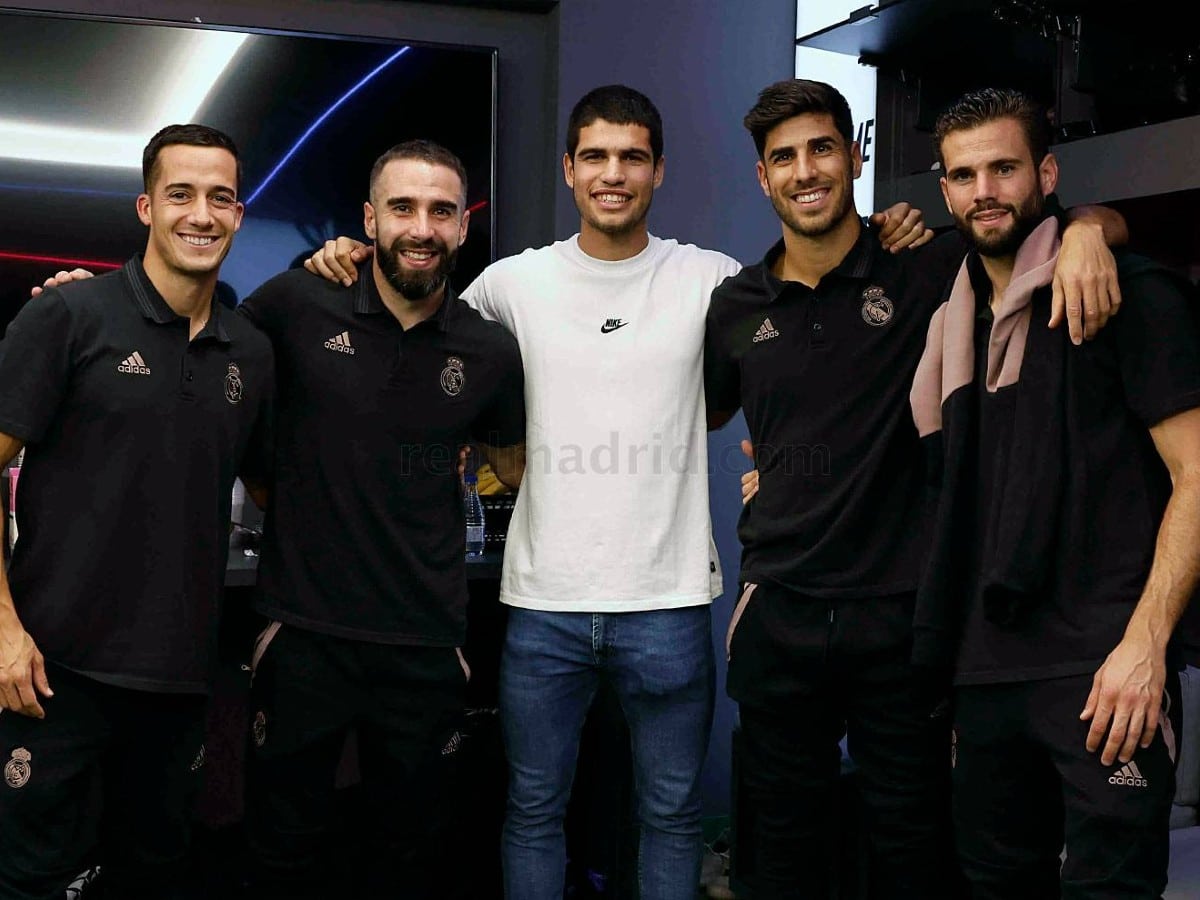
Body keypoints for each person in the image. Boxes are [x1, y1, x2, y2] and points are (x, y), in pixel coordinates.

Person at [304, 84, 934, 900]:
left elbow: (795, 364)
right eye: (595, 156)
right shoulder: (508, 285)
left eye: (632, 156)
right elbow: (419, 329)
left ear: (659, 170)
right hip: (541, 606)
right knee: (534, 808)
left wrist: (890, 234)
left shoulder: (715, 283)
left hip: (668, 605)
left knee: (670, 815)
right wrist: (337, 261)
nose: (614, 173)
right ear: (569, 169)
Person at [703, 78, 1128, 900]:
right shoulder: (735, 305)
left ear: (855, 156)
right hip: (780, 609)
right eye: (783, 158)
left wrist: (1087, 234)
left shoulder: (929, 262)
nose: (806, 170)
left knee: (914, 846)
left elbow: (1048, 226)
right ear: (763, 179)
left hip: (903, 612)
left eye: (822, 147)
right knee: (780, 852)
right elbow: (723, 411)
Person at [911, 86, 1200, 899]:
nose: (984, 192)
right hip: (984, 672)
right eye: (964, 175)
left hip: (1104, 669)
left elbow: (1197, 476)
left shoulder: (1131, 295)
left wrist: (1144, 649)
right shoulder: (948, 317)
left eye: (1004, 168)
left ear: (1046, 172)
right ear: (944, 189)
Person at [236, 139, 526, 900]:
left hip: (424, 645)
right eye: (402, 208)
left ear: (464, 226)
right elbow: (208, 379)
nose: (421, 227)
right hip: (302, 634)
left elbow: (513, 466)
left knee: (410, 855)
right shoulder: (294, 304)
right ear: (369, 220)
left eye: (441, 211)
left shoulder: (489, 350)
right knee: (280, 848)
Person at [0, 124, 274, 900]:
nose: (202, 213)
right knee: (34, 883)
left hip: (181, 682)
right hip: (50, 674)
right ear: (146, 207)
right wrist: (3, 628)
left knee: (152, 879)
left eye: (221, 197)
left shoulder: (250, 350)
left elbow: (275, 489)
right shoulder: (69, 316)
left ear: (240, 214)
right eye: (181, 194)